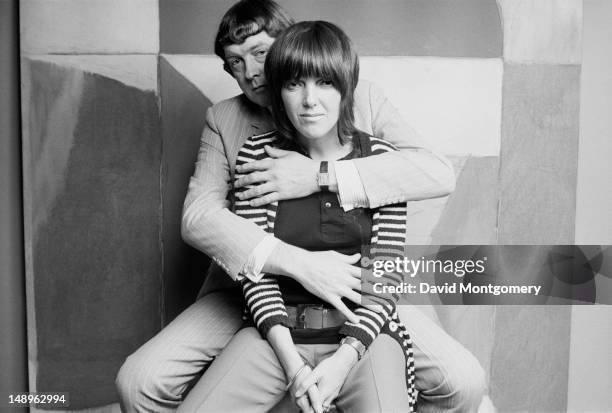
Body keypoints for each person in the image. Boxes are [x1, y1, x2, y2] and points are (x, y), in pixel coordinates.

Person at [116, 1, 485, 412]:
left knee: (464, 382)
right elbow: (199, 217)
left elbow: (433, 172)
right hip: (253, 290)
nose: (251, 71)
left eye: (260, 54)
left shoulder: (358, 97)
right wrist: (296, 263)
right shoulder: (226, 121)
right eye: (235, 62)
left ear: (288, 46)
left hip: (356, 288)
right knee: (138, 381)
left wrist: (319, 176)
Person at [177, 21, 417, 413]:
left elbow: (385, 279)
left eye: (324, 83)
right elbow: (257, 272)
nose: (310, 100)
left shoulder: (381, 160)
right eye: (294, 84)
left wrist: (343, 361)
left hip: (360, 342)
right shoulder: (257, 154)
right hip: (276, 337)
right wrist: (294, 367)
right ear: (279, 92)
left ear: (346, 86)